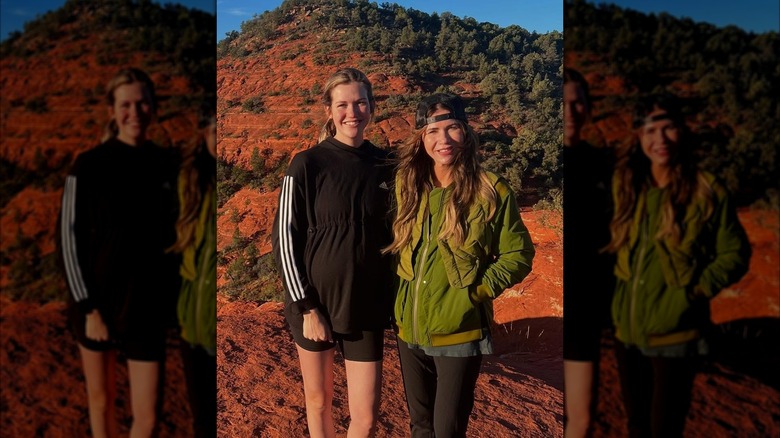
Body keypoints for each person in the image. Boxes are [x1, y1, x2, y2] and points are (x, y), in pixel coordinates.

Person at [383, 93, 535, 437]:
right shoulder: (408, 184)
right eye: (433, 132)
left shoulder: (489, 189)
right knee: (420, 426)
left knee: (447, 428)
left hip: (459, 329)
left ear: (466, 133)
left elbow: (518, 254)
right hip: (409, 329)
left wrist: (477, 290)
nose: (444, 140)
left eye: (452, 129)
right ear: (421, 139)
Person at [604, 94, 751, 437]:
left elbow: (734, 253)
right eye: (651, 130)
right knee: (637, 426)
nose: (660, 139)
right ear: (639, 138)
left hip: (676, 333)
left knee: (665, 428)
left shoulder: (706, 189)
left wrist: (695, 290)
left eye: (669, 128)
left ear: (682, 131)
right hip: (627, 332)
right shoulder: (627, 185)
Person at [270, 67, 394, 438]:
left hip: (366, 305)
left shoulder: (386, 164)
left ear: (372, 107)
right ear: (329, 109)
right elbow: (284, 239)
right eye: (342, 104)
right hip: (316, 306)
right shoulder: (307, 164)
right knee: (319, 401)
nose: (352, 112)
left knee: (366, 417)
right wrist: (307, 306)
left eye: (360, 103)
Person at [59, 67, 180, 437]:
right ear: (112, 110)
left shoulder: (167, 163)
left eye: (143, 103)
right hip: (99, 304)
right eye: (125, 104)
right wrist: (88, 307)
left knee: (147, 416)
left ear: (153, 107)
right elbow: (67, 240)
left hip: (147, 306)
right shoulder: (89, 165)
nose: (135, 112)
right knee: (101, 401)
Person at [562, 68, 615, 437]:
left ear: (589, 108)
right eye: (562, 102)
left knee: (579, 417)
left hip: (590, 306)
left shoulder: (604, 165)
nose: (570, 110)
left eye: (578, 101)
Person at [167, 111, 217, 438]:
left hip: (213, 321)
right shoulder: (189, 180)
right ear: (204, 132)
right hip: (190, 319)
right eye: (215, 127)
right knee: (202, 418)